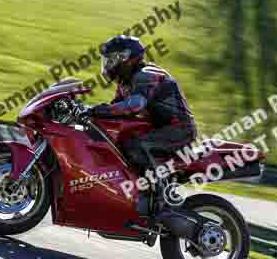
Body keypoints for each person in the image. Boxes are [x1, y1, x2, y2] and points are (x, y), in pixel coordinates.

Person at [82, 35, 197, 214]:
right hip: (159, 128)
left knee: (136, 146)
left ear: (126, 58)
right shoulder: (125, 83)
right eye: (107, 60)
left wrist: (101, 110)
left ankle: (162, 198)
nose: (108, 65)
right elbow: (115, 109)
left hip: (179, 129)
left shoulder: (147, 74)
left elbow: (135, 104)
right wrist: (87, 111)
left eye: (112, 60)